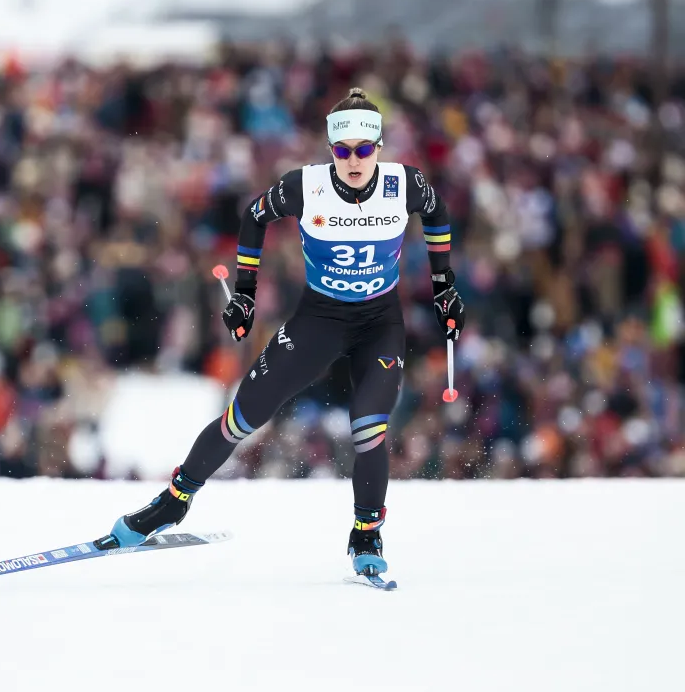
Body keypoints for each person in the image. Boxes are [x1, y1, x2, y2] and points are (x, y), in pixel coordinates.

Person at [94, 88, 466, 577]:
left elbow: (437, 215)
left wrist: (443, 286)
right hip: (319, 320)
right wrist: (245, 292)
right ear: (330, 150)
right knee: (242, 418)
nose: (353, 160)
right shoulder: (304, 186)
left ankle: (366, 533)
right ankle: (173, 501)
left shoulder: (406, 184)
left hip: (379, 324)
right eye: (342, 150)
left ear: (378, 148)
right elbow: (254, 215)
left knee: (369, 428)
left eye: (363, 149)